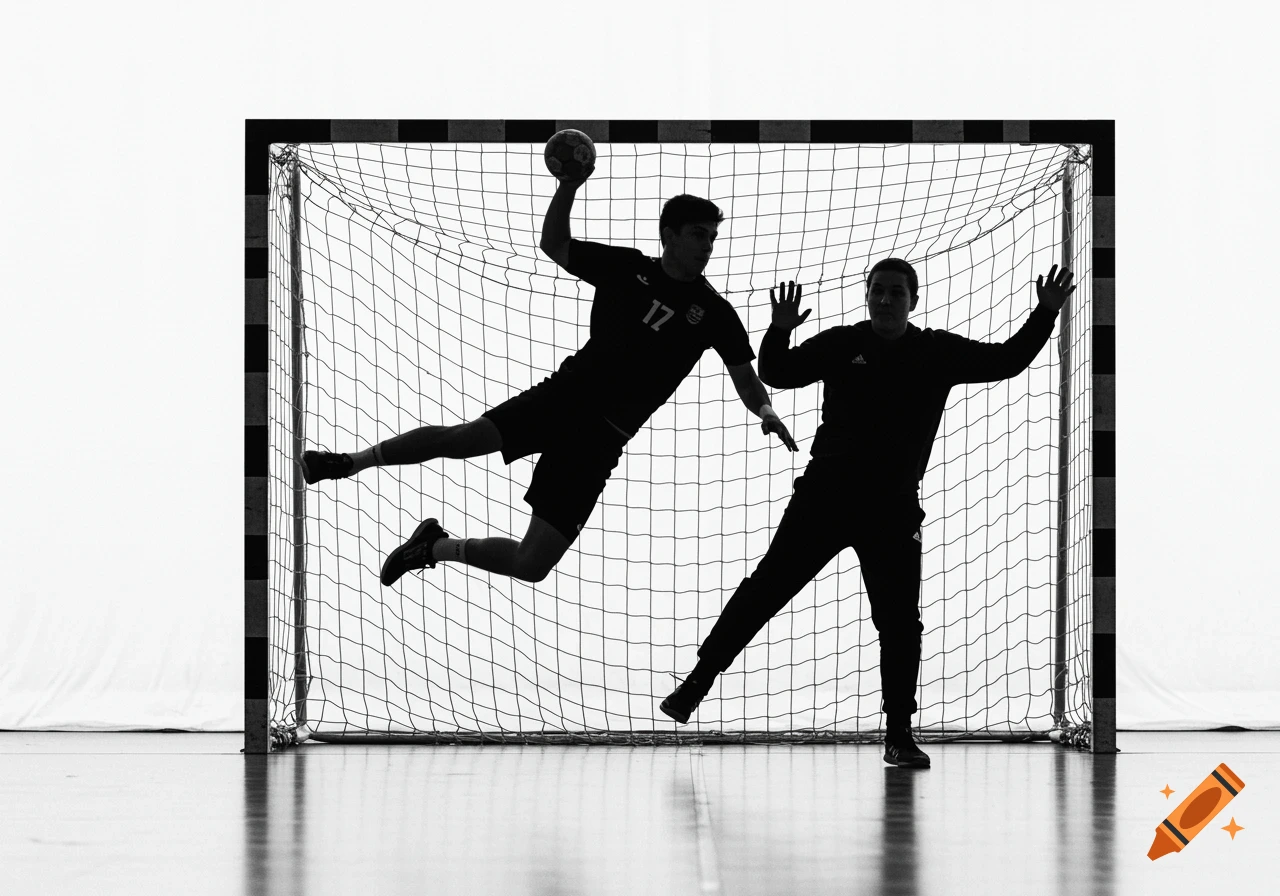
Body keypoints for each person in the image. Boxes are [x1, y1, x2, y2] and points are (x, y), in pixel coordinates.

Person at [301, 153, 798, 588]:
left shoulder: (715, 313)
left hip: (602, 439)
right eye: (697, 234)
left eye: (711, 237)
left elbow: (745, 378)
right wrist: (568, 187)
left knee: (532, 564)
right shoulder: (627, 267)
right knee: (461, 440)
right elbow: (554, 243)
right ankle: (346, 462)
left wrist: (767, 411)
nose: (707, 245)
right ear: (668, 235)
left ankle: (431, 548)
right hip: (566, 397)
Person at [659, 260, 1076, 768]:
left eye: (895, 293)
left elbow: (1007, 360)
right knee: (766, 588)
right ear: (868, 297)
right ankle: (695, 685)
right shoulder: (842, 343)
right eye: (877, 291)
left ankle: (899, 734)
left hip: (892, 508)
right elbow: (777, 372)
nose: (885, 300)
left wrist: (1045, 313)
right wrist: (779, 331)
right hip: (826, 497)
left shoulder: (935, 352)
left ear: (912, 301)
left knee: (900, 623)